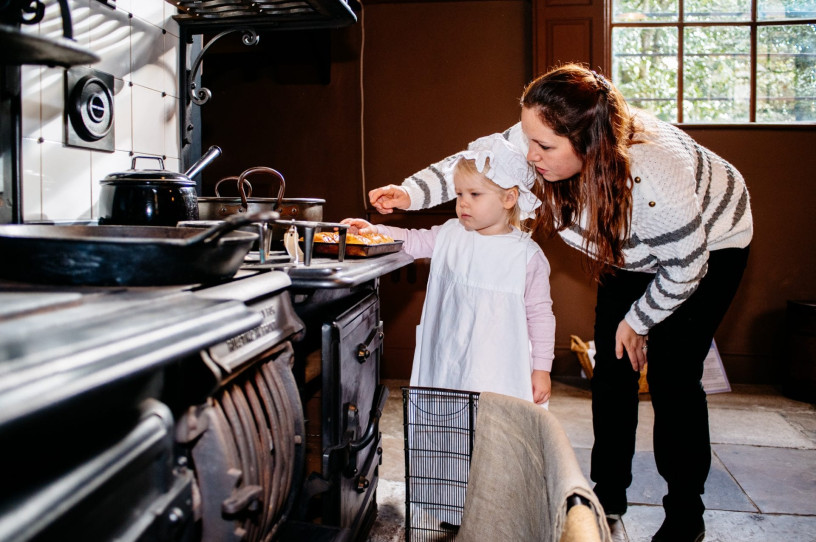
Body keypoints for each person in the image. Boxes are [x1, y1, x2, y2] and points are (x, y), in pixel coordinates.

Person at [367, 63, 753, 542]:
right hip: (627, 249)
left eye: (544, 147)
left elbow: (686, 266)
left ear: (589, 142)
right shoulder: (541, 135)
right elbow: (477, 162)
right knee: (614, 372)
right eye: (527, 139)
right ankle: (607, 495)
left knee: (674, 375)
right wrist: (408, 193)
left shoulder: (654, 177)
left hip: (706, 247)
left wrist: (640, 320)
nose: (529, 156)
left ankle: (684, 516)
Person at [343, 133, 556, 405]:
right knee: (450, 429)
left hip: (500, 370)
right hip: (451, 361)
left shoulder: (525, 256)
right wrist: (375, 231)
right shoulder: (451, 234)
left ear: (509, 198)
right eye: (459, 194)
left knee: (495, 431)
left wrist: (541, 369)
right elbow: (412, 240)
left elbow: (541, 317)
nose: (463, 203)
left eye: (475, 194)